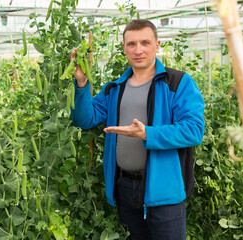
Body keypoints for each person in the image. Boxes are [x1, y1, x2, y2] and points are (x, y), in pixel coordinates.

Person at [70, 19, 205, 240]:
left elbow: (194, 130)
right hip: (124, 188)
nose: (138, 50)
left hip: (164, 193)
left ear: (157, 45)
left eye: (145, 42)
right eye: (131, 44)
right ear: (124, 48)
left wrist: (147, 134)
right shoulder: (115, 88)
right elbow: (85, 119)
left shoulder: (178, 83)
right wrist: (82, 82)